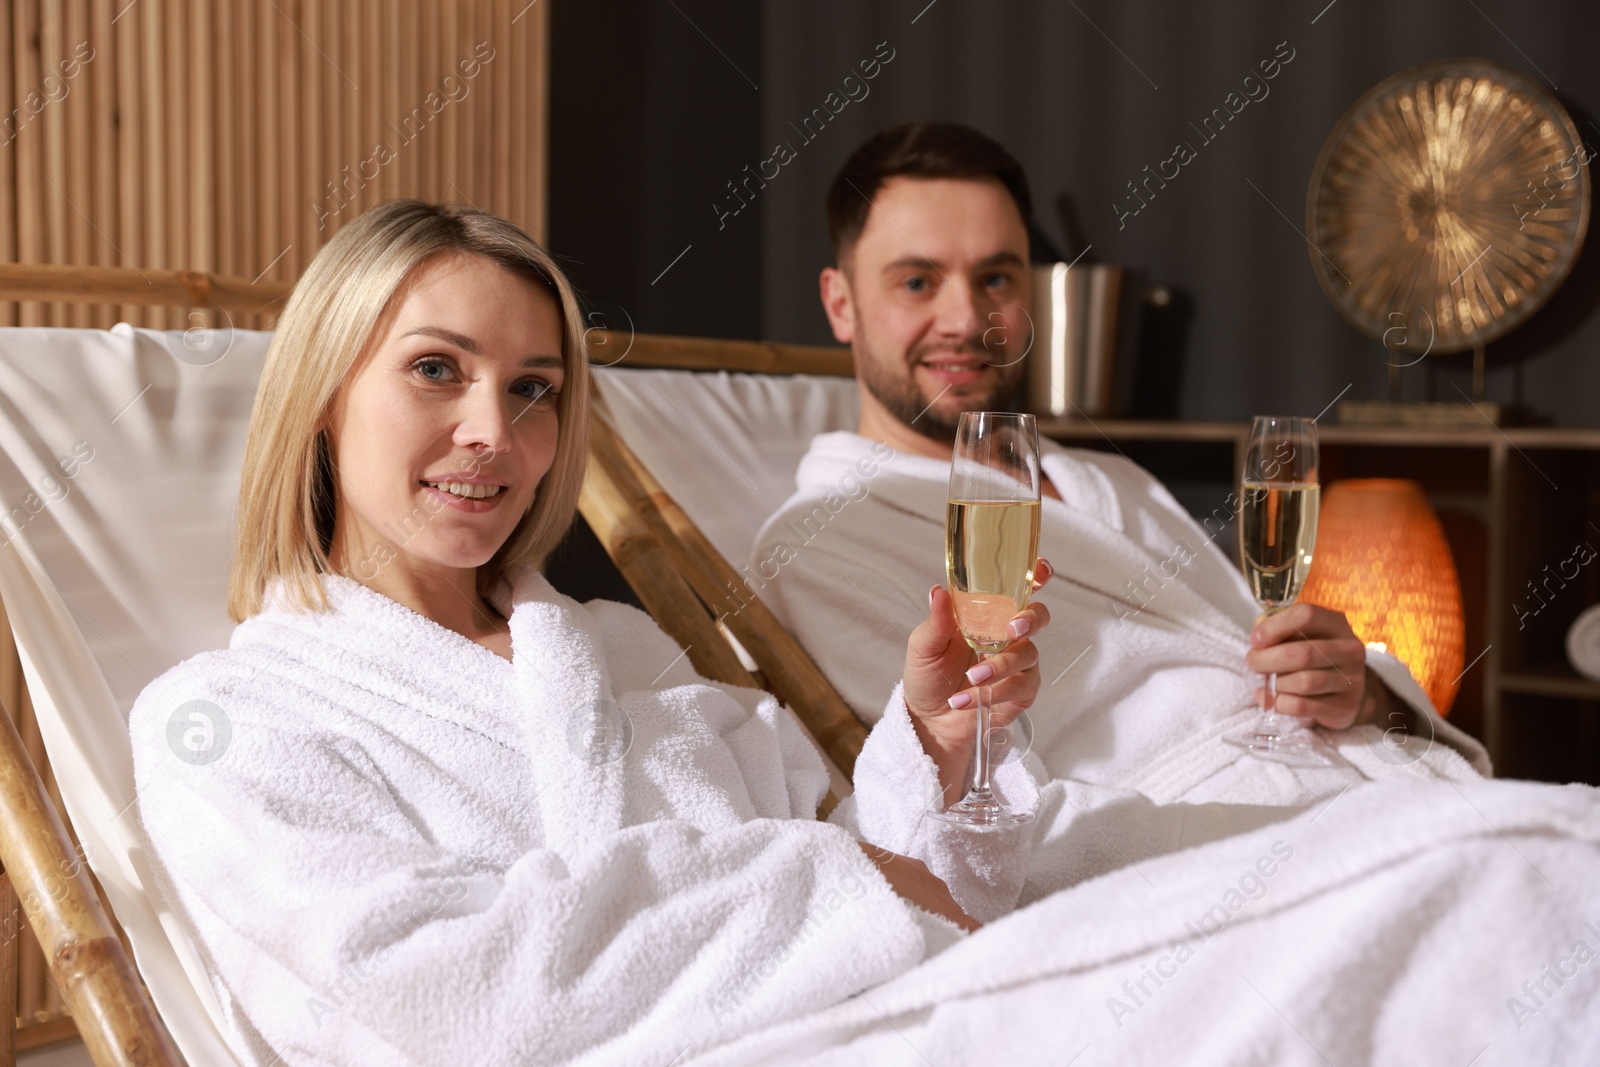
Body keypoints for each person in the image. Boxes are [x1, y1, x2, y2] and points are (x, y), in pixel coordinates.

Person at [127, 200, 1051, 1065]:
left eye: (534, 387)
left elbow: (900, 875)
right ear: (323, 394)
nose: (495, 429)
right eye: (435, 369)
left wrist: (938, 739)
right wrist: (844, 878)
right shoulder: (224, 722)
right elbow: (465, 991)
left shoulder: (626, 648)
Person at [752, 122, 1489, 810]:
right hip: (1198, 840)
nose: (967, 319)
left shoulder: (1111, 482)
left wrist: (1357, 693)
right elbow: (972, 809)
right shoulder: (820, 544)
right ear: (840, 303)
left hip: (1367, 792)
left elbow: (1259, 657)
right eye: (917, 282)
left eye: (997, 279)